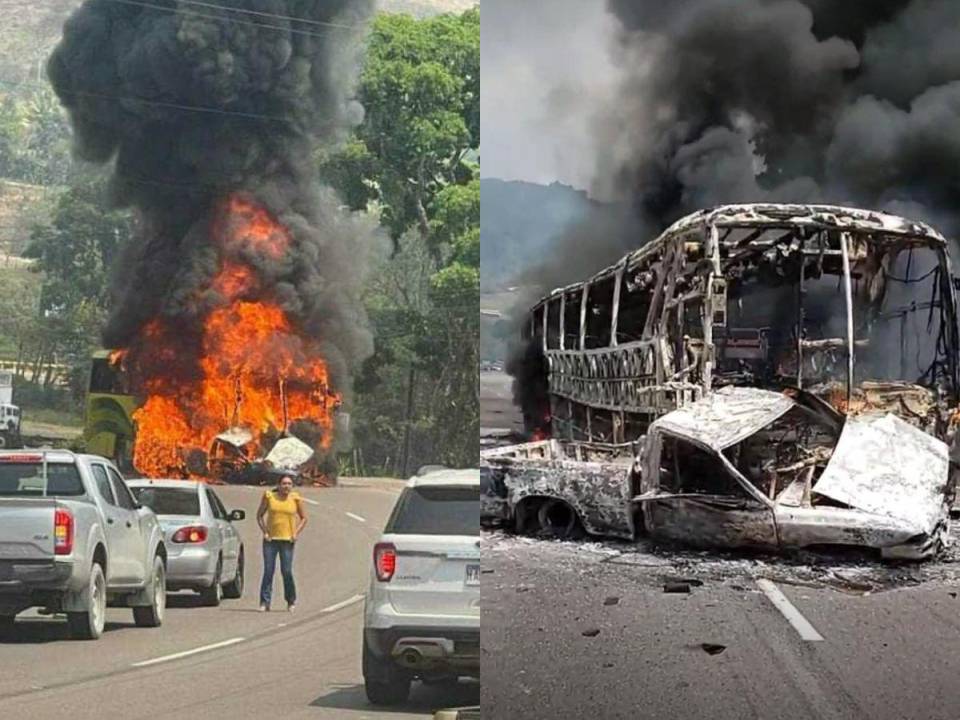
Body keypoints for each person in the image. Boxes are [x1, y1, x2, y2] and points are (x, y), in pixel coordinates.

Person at [256, 472, 307, 612]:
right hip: (271, 540)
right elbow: (259, 515)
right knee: (268, 571)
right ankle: (265, 602)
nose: (286, 486)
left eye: (289, 484)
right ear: (278, 485)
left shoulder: (295, 499)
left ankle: (291, 600)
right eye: (284, 483)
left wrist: (296, 532)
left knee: (286, 571)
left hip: (287, 540)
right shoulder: (269, 496)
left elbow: (303, 518)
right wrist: (265, 531)